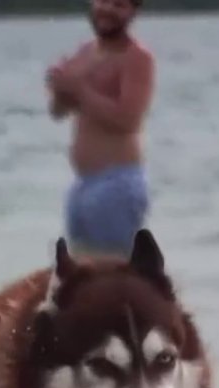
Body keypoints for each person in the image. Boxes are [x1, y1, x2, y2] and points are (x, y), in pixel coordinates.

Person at [45, 0, 155, 258]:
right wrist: (60, 89)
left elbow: (129, 120)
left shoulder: (136, 58)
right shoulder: (85, 52)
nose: (108, 9)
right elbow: (58, 113)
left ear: (133, 12)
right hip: (82, 184)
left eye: (119, 4)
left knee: (110, 279)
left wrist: (80, 90)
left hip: (116, 184)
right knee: (78, 282)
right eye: (103, 1)